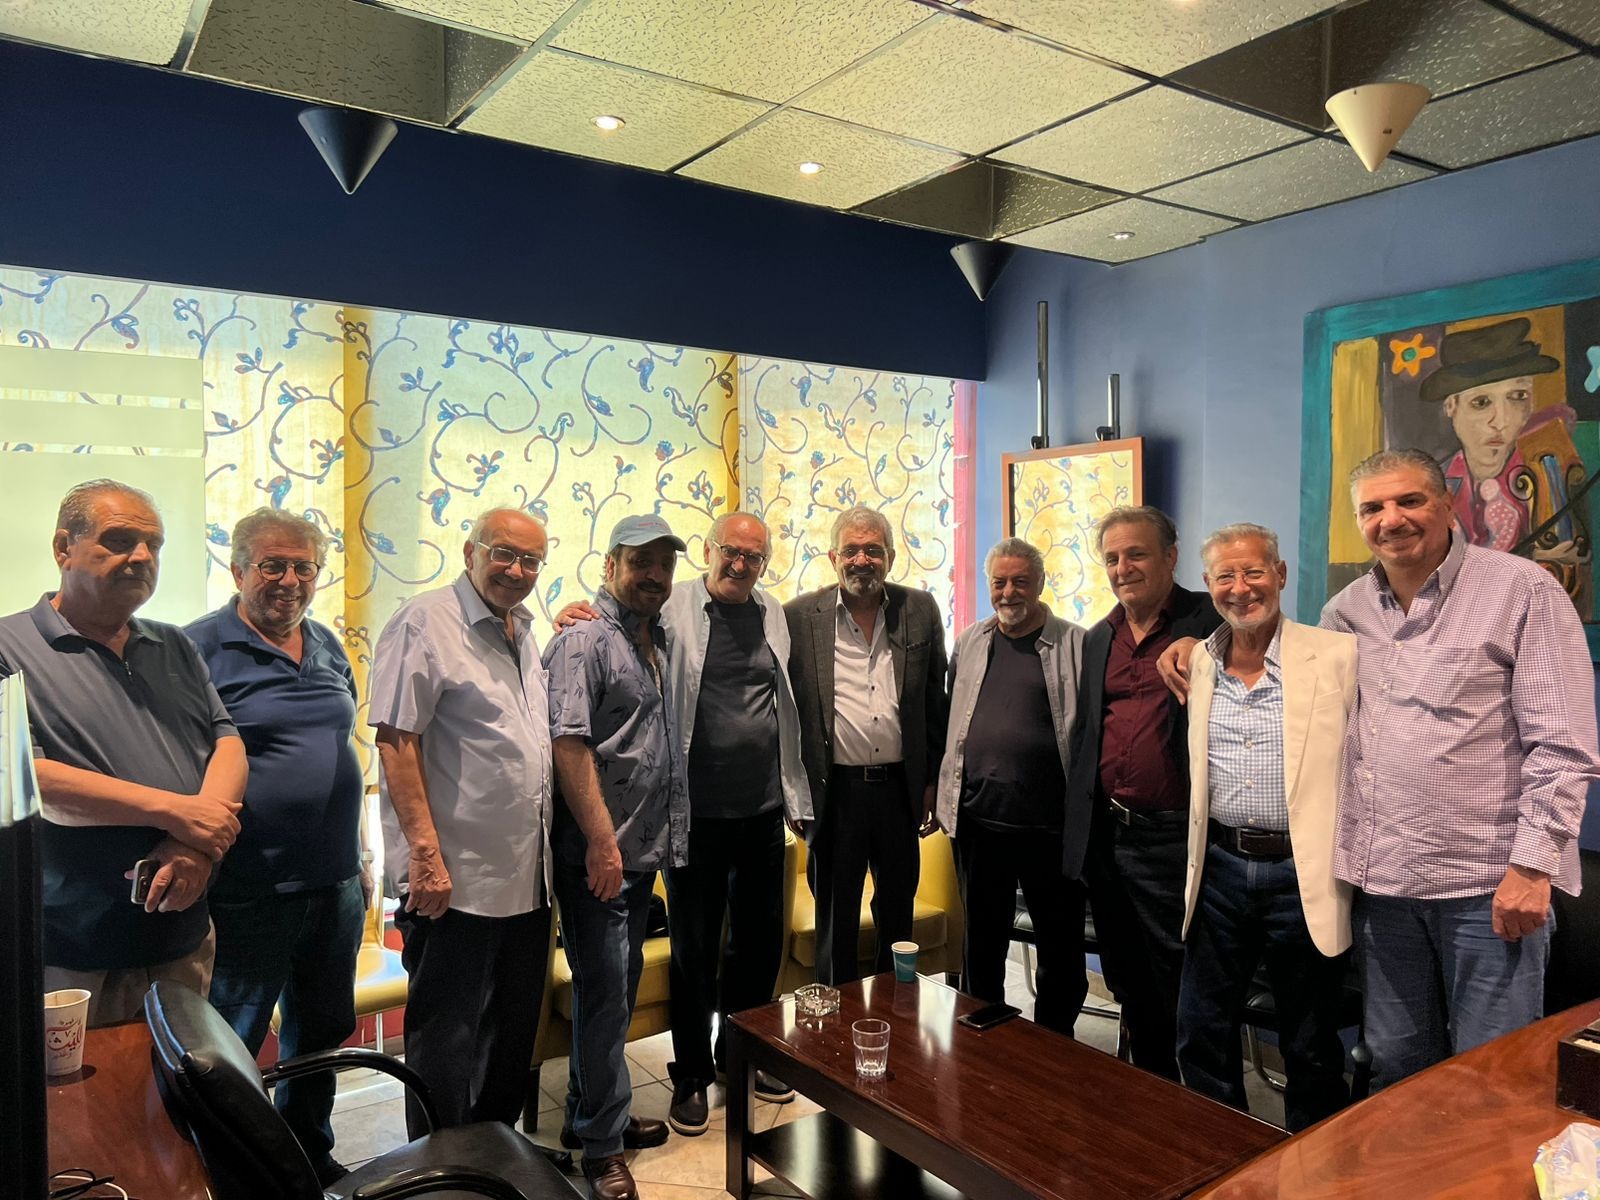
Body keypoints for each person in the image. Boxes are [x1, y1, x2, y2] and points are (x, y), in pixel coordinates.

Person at [1159, 449, 1599, 1087]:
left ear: (1447, 504)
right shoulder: (1346, 614)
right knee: (1396, 1067)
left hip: (1485, 886)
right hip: (1382, 889)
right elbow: (1283, 676)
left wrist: (1533, 868)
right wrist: (1193, 646)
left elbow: (1562, 745)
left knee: (1492, 1075)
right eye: (1373, 507)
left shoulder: (1520, 590)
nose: (1391, 519)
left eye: (1409, 500)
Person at [554, 512, 810, 1135]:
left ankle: (742, 1055)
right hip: (690, 816)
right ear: (708, 550)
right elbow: (613, 622)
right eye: (731, 551)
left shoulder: (773, 613)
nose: (740, 564)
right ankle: (692, 1073)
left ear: (764, 563)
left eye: (754, 556)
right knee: (695, 949)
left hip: (761, 812)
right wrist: (571, 612)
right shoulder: (671, 606)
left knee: (757, 947)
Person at [0, 479, 245, 1026]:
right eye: (118, 540)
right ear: (63, 547)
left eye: (153, 545)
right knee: (84, 1084)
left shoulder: (174, 643)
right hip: (74, 949)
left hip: (182, 936)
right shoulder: (7, 649)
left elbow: (227, 743)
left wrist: (193, 844)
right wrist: (178, 813)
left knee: (183, 1077)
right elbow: (28, 778)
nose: (141, 557)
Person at [185, 508, 366, 1184]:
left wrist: (361, 859)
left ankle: (306, 1156)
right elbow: (179, 761)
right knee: (232, 1043)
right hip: (248, 891)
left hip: (335, 884)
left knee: (322, 1032)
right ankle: (230, 1173)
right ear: (238, 570)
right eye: (272, 565)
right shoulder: (197, 648)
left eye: (303, 567)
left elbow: (342, 747)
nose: (289, 580)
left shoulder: (326, 643)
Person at [369, 507, 554, 1140]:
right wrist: (424, 856)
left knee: (510, 1035)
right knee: (446, 1040)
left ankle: (495, 1155)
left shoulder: (523, 628)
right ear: (470, 551)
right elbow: (396, 741)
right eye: (503, 553)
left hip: (527, 878)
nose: (516, 570)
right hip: (454, 882)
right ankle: (441, 1167)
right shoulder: (424, 622)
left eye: (531, 560)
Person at [1174, 523, 1354, 1132]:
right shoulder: (1199, 660)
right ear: (1208, 584)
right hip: (1220, 869)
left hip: (1301, 872)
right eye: (1225, 576)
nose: (1241, 587)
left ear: (1279, 575)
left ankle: (1314, 1159)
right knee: (1200, 1029)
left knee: (1309, 1040)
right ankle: (1222, 1153)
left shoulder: (1336, 655)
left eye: (1254, 572)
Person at [543, 514, 690, 1200]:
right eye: (640, 562)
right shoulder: (584, 639)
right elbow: (568, 744)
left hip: (640, 852)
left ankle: (591, 1116)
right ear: (609, 566)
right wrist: (602, 843)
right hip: (598, 855)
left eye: (664, 564)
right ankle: (602, 1151)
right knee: (604, 998)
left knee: (614, 994)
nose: (654, 575)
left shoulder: (655, 637)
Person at [1063, 506, 1222, 1078]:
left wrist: (1204, 642)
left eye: (1137, 554)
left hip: (1176, 839)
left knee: (1180, 979)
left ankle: (1191, 1101)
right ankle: (1147, 1091)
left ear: (1170, 557)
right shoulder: (1097, 638)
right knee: (1127, 975)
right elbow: (1088, 732)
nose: (1123, 567)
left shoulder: (1210, 621)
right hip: (1109, 837)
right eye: (1112, 558)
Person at [785, 505, 948, 986]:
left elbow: (934, 704)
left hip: (900, 791)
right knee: (835, 919)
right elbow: (782, 711)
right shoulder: (798, 617)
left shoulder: (919, 609)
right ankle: (835, 1018)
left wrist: (933, 781)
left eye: (873, 550)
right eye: (852, 550)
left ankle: (896, 1011)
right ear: (833, 557)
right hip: (834, 794)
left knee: (898, 915)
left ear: (890, 558)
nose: (862, 560)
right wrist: (792, 791)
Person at [936, 537, 1085, 1033]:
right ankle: (987, 1044)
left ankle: (1054, 1045)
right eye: (999, 582)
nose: (1008, 592)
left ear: (1040, 583)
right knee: (982, 944)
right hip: (980, 823)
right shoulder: (970, 642)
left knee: (1060, 949)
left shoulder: (1076, 644)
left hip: (1051, 829)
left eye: (1020, 581)